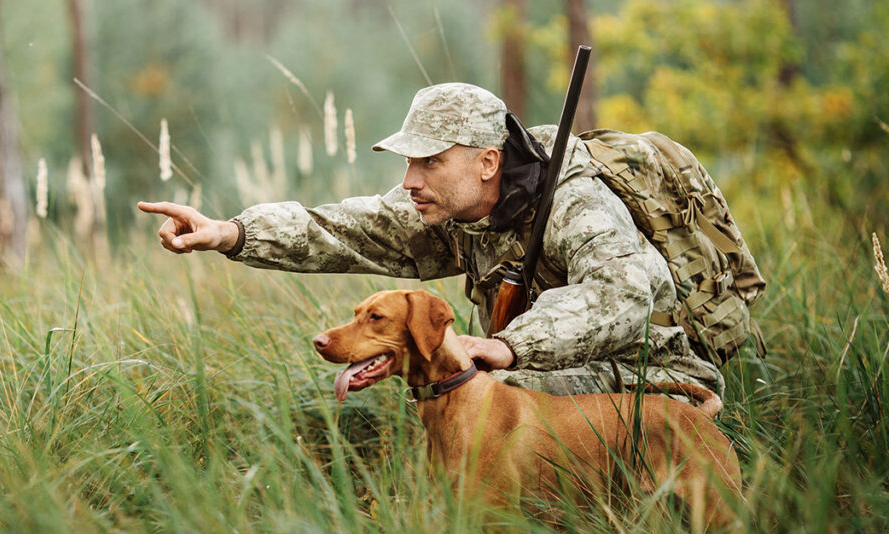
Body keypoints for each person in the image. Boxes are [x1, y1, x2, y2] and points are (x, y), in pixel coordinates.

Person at [138, 83, 724, 397]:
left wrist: (509, 346)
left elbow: (623, 295)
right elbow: (342, 228)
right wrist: (229, 232)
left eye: (430, 162)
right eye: (409, 161)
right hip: (549, 370)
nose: (410, 181)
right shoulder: (447, 205)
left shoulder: (573, 200)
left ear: (488, 162)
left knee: (491, 387)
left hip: (656, 371)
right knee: (467, 387)